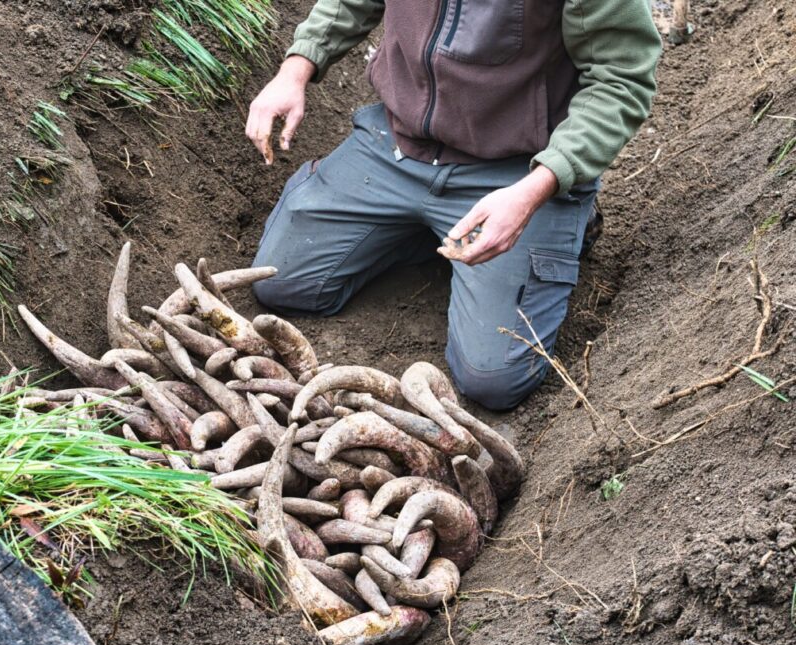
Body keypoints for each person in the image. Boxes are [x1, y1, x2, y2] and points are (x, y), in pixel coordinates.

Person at [245, 0, 661, 410]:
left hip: (516, 170)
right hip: (396, 145)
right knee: (278, 282)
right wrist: (296, 68)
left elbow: (622, 79)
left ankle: (563, 219)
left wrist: (541, 183)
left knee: (493, 379)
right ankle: (427, 232)